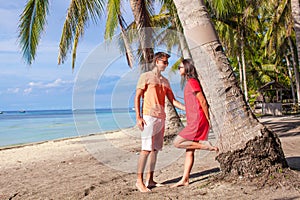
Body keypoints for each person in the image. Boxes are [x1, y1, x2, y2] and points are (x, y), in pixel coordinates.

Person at [135, 52, 185, 192]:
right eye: (164, 62)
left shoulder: (165, 81)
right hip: (148, 117)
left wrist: (188, 108)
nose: (166, 65)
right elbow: (138, 97)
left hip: (161, 118)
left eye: (168, 62)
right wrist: (138, 117)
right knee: (146, 149)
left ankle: (150, 180)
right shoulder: (145, 77)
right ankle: (139, 181)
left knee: (155, 150)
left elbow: (173, 101)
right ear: (157, 61)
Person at [171, 59, 218, 188]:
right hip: (193, 119)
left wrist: (208, 119)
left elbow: (202, 101)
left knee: (177, 142)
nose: (178, 69)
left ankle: (206, 146)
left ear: (186, 68)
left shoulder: (192, 82)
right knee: (189, 150)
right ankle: (185, 179)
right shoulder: (189, 83)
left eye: (180, 67)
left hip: (197, 120)